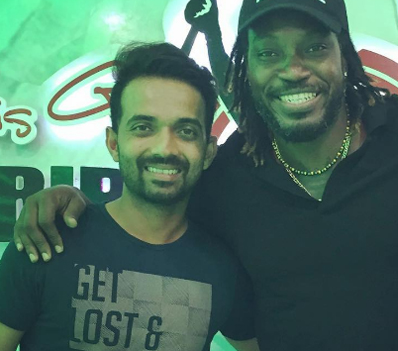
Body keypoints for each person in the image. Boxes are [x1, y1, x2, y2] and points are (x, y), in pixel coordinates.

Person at [13, 0, 398, 350]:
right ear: (247, 68)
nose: (293, 70)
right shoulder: (224, 177)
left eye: (315, 47)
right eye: (269, 52)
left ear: (344, 55)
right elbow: (145, 222)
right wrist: (68, 204)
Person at [0, 43, 259, 351]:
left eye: (186, 131)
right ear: (114, 143)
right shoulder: (45, 241)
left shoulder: (223, 269)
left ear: (208, 152)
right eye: (143, 127)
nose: (165, 148)